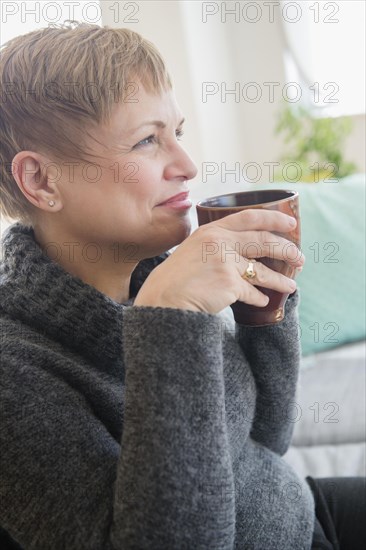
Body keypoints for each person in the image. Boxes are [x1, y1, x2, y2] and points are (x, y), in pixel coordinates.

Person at [0, 22, 364, 550]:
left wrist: (266, 306)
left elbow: (265, 439)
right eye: (148, 140)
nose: (188, 166)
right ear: (41, 180)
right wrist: (169, 319)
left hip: (303, 515)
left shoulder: (155, 280)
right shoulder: (16, 372)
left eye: (178, 133)